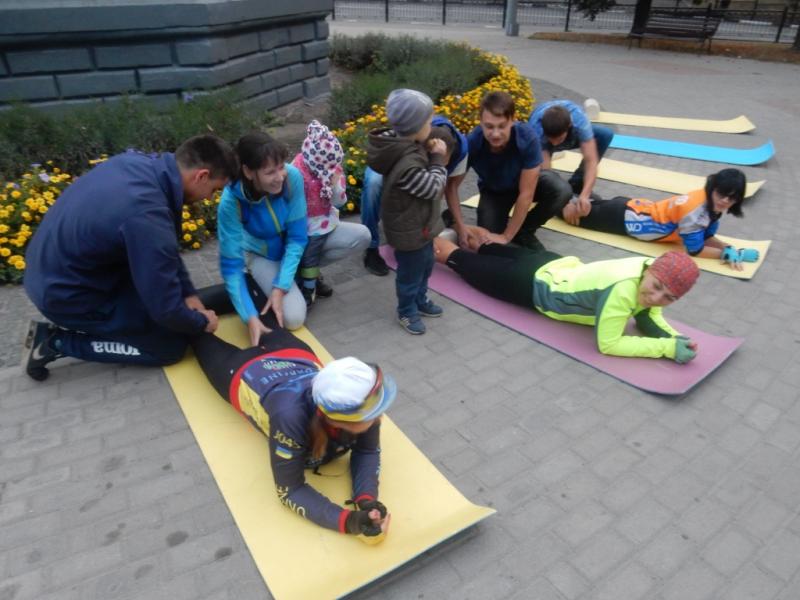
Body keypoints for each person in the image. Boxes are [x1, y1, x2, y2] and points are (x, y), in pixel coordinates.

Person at [22, 134, 238, 381]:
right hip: (67, 295)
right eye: (214, 190)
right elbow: (165, 309)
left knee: (171, 310)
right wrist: (200, 323)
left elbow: (163, 253)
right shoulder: (147, 215)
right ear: (201, 176)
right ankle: (54, 342)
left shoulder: (139, 165)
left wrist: (188, 293)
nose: (209, 198)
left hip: (61, 269)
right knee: (168, 347)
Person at [191, 308, 393, 542]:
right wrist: (348, 522)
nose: (379, 416)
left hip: (295, 357)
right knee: (194, 330)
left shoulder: (364, 404)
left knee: (261, 307)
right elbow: (290, 491)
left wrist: (367, 501)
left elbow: (367, 451)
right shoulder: (290, 418)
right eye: (373, 412)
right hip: (244, 370)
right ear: (340, 419)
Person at [434, 230, 700, 362]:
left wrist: (674, 338)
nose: (655, 298)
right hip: (529, 284)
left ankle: (460, 231)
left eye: (668, 298)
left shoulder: (649, 267)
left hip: (553, 262)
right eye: (657, 287)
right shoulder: (622, 291)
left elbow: (647, 316)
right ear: (651, 272)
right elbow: (609, 345)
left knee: (485, 247)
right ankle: (422, 239)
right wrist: (666, 349)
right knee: (455, 258)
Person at [366, 89, 449, 335]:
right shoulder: (407, 165)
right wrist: (437, 159)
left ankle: (420, 300)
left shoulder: (406, 145)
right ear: (415, 127)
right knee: (410, 273)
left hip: (419, 225)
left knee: (426, 264)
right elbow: (433, 188)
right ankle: (406, 310)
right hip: (409, 230)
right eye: (428, 122)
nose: (431, 126)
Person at [446, 91, 572, 251]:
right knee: (488, 242)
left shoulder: (527, 137)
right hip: (494, 192)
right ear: (481, 122)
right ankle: (448, 219)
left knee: (562, 190)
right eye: (489, 126)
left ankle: (525, 231)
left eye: (502, 126)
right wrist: (460, 225)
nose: (495, 134)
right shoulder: (473, 142)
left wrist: (507, 236)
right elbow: (451, 186)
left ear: (513, 120)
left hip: (525, 183)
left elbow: (526, 194)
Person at [218, 131, 309, 345]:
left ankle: (303, 275)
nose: (280, 177)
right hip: (262, 255)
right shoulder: (230, 203)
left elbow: (297, 237)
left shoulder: (292, 177)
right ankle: (276, 278)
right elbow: (231, 267)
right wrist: (250, 317)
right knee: (294, 318)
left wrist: (281, 287)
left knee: (358, 236)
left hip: (294, 247)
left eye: (281, 167)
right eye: (270, 172)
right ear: (248, 172)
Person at [571, 168, 759, 271]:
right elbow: (695, 250)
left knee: (584, 206)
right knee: (569, 214)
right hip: (624, 219)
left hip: (630, 210)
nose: (725, 201)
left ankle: (576, 195)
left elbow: (706, 236)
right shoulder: (694, 213)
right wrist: (725, 254)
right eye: (722, 194)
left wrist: (730, 249)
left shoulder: (711, 204)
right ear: (713, 189)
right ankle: (559, 194)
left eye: (732, 198)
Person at [361, 115, 469, 276]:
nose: (444, 166)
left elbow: (443, 190)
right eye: (441, 162)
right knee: (373, 184)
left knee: (426, 190)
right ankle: (371, 246)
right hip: (393, 154)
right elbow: (428, 189)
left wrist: (438, 232)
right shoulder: (416, 142)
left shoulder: (461, 150)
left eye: (446, 164)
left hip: (426, 157)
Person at [291, 120, 371, 306]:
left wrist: (334, 185)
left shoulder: (333, 168)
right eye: (326, 167)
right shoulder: (296, 169)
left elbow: (339, 202)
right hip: (299, 225)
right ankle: (304, 281)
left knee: (310, 258)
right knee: (304, 256)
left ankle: (309, 286)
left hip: (322, 224)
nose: (331, 170)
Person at [528, 99, 615, 224]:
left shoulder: (580, 122)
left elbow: (591, 161)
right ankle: (558, 195)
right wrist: (564, 202)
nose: (555, 144)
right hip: (542, 141)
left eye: (558, 139)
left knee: (605, 134)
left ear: (569, 126)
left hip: (569, 131)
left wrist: (585, 195)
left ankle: (577, 185)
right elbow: (546, 171)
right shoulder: (536, 129)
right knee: (543, 179)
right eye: (551, 139)